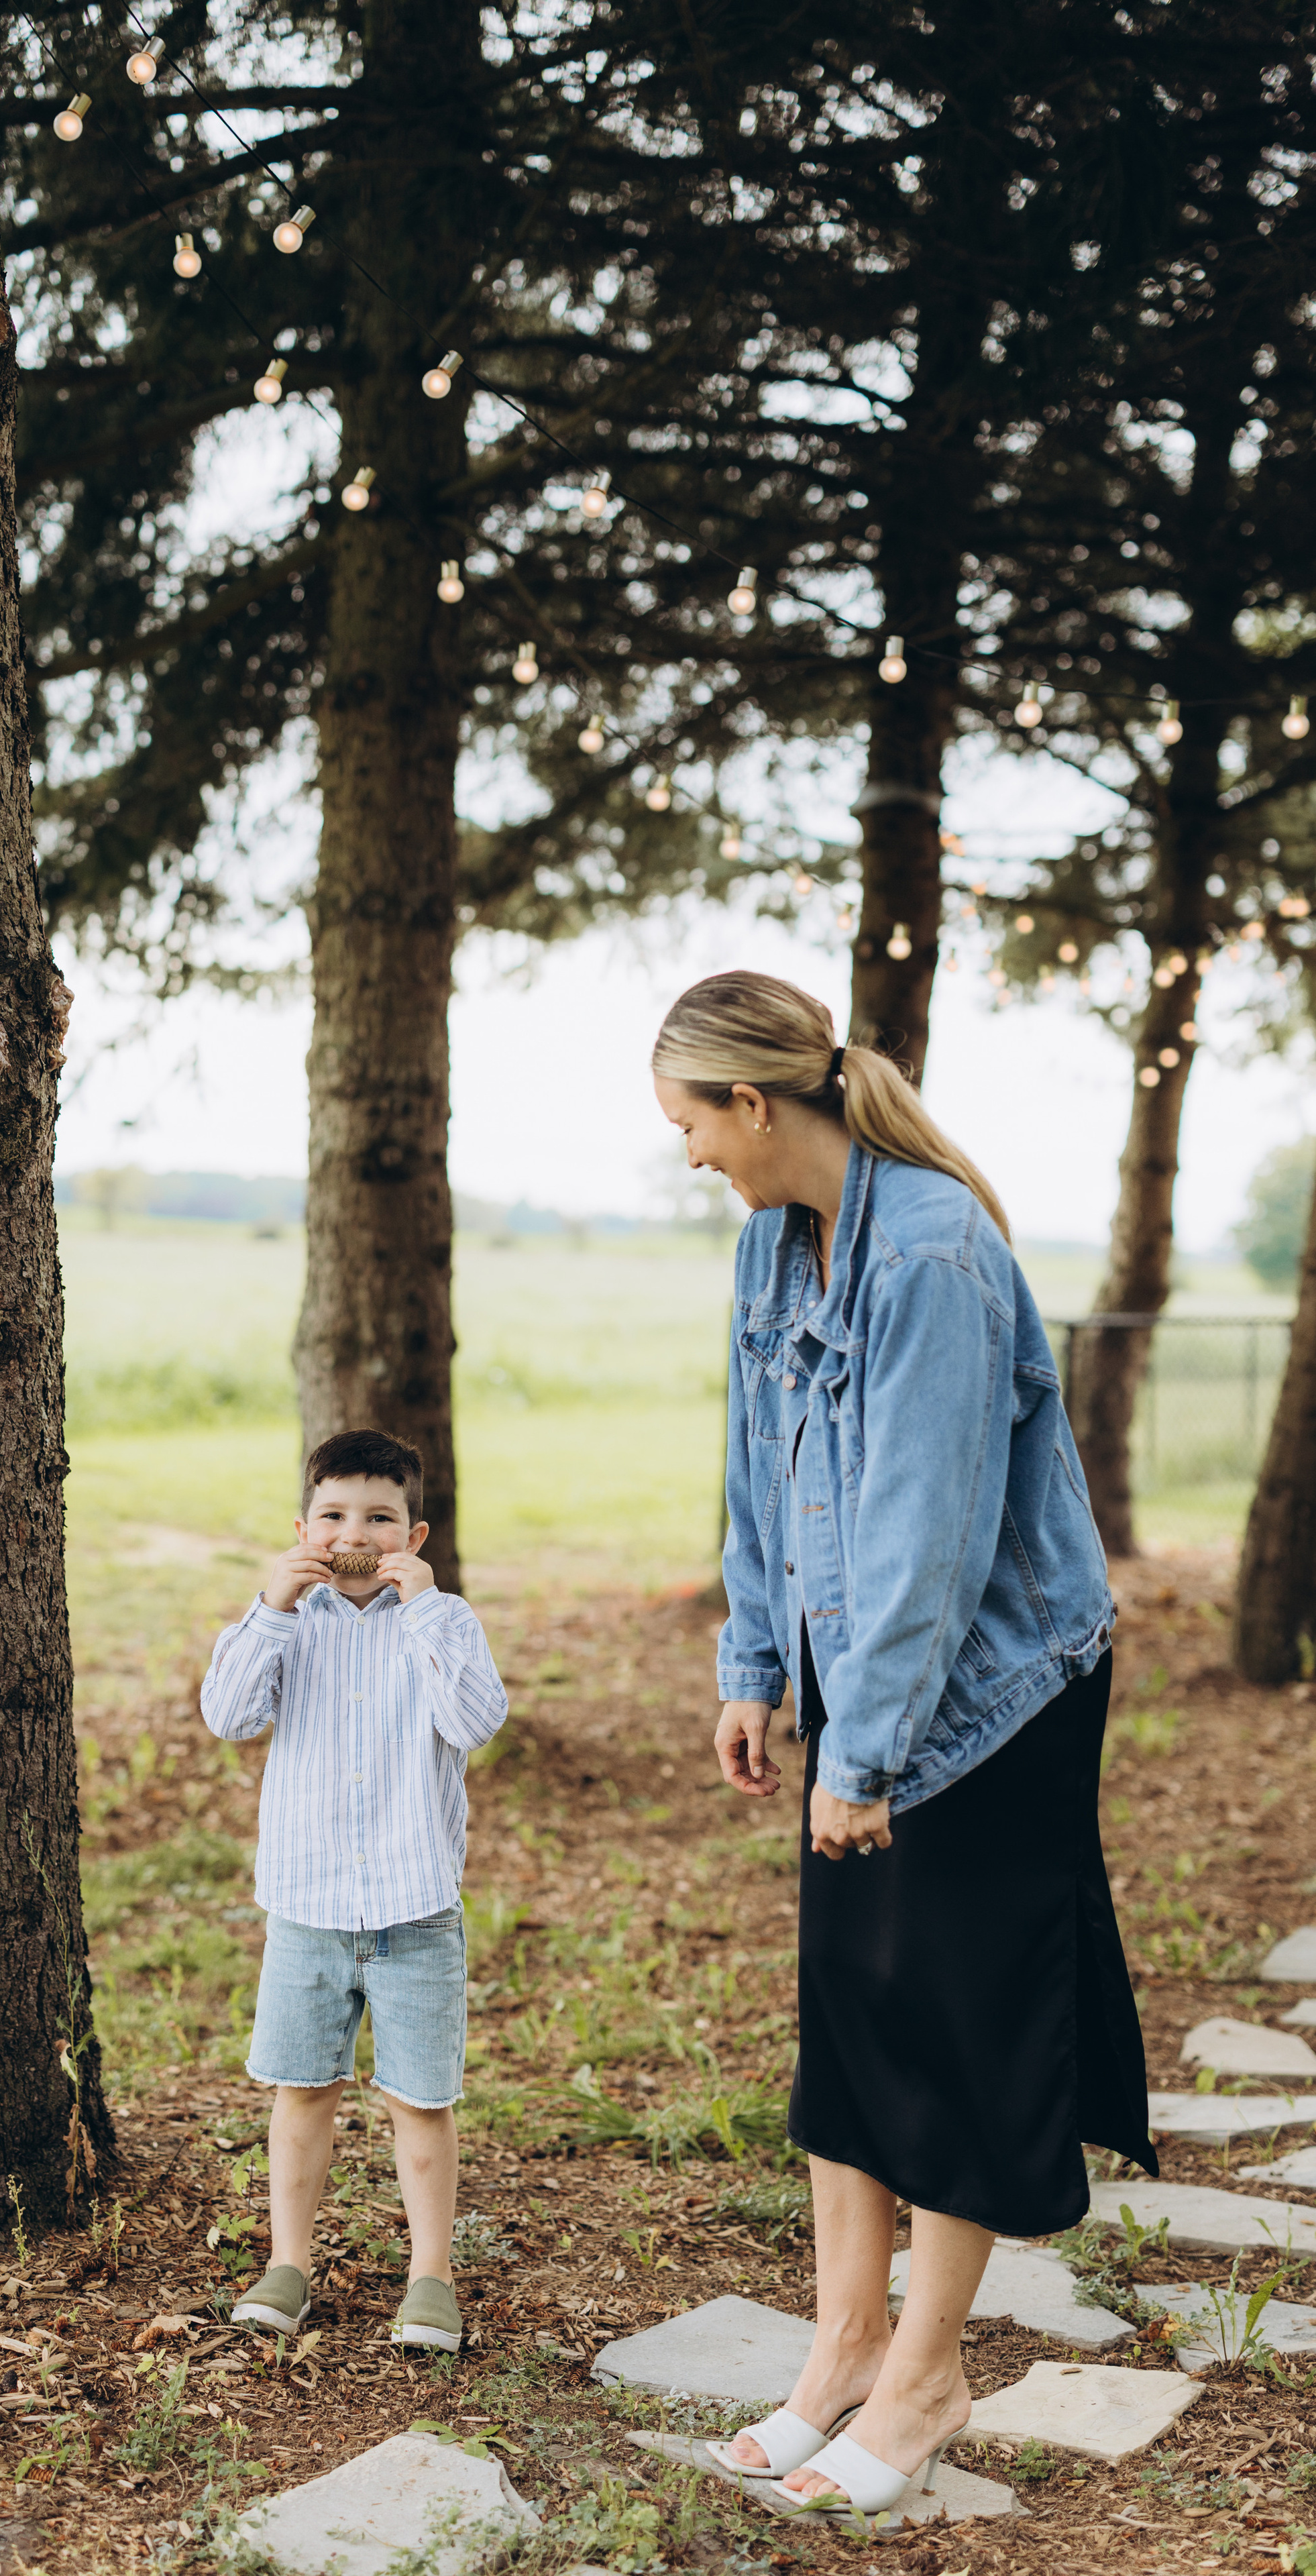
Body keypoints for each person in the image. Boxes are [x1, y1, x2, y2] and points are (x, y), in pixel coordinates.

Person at [652, 970, 1156, 2518]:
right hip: (865, 1680)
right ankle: (844, 2349)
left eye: (690, 1123)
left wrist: (859, 1755)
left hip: (990, 1696)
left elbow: (928, 1536)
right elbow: (755, 1469)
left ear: (753, 1104)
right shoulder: (772, 1242)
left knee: (952, 2025)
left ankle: (926, 2377)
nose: (688, 1154)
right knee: (851, 2014)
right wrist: (754, 1666)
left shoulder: (930, 1253)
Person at [199, 1426, 507, 2353]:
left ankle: (431, 2278)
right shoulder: (286, 1623)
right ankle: (288, 2262)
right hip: (310, 1910)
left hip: (416, 1909)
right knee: (302, 2092)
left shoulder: (443, 1623)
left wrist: (430, 1611)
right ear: (304, 1530)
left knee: (421, 2102)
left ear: (414, 1536)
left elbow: (476, 1720)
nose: (355, 1534)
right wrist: (271, 1607)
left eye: (380, 1517)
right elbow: (228, 1717)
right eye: (333, 1516)